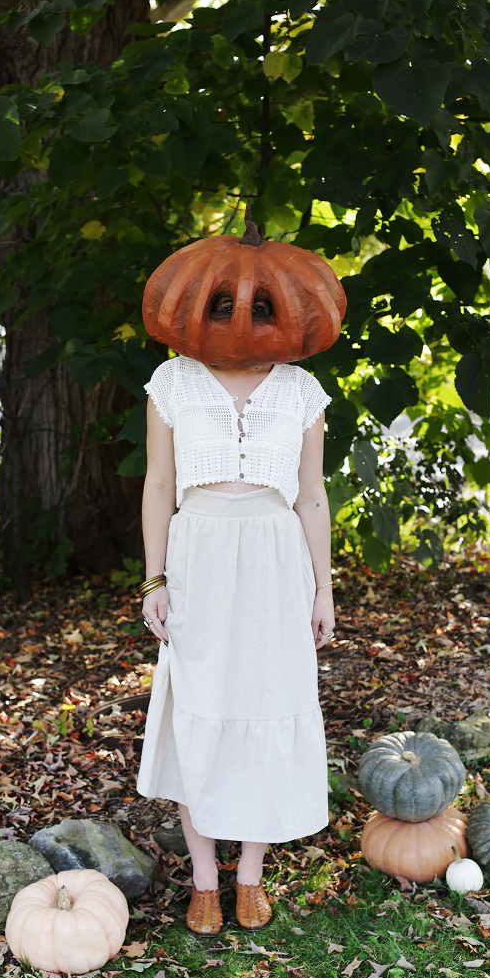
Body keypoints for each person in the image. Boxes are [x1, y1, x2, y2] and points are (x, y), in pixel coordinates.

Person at [135, 214, 343, 936]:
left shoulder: (301, 394)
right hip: (199, 556)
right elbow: (159, 487)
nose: (247, 328)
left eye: (263, 315)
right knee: (201, 711)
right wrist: (154, 580)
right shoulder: (172, 384)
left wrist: (324, 587)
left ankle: (248, 876)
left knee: (265, 705)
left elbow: (312, 495)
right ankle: (203, 883)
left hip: (275, 559)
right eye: (232, 312)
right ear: (210, 315)